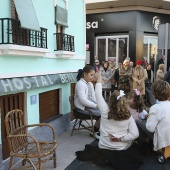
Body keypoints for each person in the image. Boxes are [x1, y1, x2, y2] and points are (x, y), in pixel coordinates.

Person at [95, 72, 139, 150]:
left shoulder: (105, 111)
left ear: (110, 101)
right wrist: (120, 139)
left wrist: (99, 79)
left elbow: (98, 94)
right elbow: (135, 134)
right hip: (121, 148)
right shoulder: (128, 115)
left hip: (104, 147)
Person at [137, 80, 170, 152]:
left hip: (162, 139)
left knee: (138, 122)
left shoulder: (155, 108)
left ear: (154, 94)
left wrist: (149, 119)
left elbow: (150, 128)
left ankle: (145, 142)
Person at [74, 66, 100, 138]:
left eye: (93, 75)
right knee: (102, 114)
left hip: (88, 106)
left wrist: (98, 104)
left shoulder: (90, 84)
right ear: (85, 74)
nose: (92, 77)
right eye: (91, 75)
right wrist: (96, 106)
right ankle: (95, 132)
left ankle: (97, 129)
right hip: (82, 108)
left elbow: (93, 97)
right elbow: (83, 101)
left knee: (105, 111)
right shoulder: (80, 84)